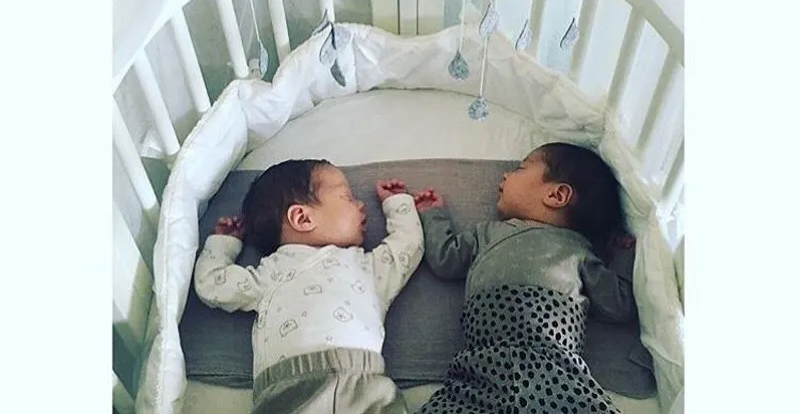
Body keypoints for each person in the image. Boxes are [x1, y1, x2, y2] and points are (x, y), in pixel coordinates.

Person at [412, 142, 636, 414]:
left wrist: (622, 252)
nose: (505, 175)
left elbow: (619, 304)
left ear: (556, 195)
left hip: (553, 370)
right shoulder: (488, 233)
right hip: (484, 368)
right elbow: (446, 259)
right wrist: (432, 215)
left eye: (519, 169)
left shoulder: (578, 251)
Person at [194, 158, 424, 414]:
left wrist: (398, 204)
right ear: (302, 218)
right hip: (288, 393)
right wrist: (223, 244)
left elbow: (408, 247)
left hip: (363, 384)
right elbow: (212, 284)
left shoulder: (367, 267)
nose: (361, 205)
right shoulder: (272, 271)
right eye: (347, 198)